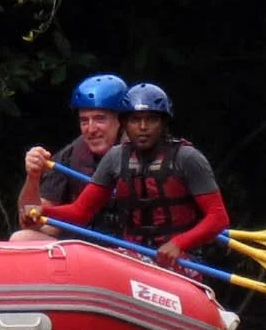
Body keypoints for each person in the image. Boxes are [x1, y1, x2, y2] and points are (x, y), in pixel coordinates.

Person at [21, 82, 229, 267]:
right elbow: (81, 211)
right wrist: (44, 212)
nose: (143, 128)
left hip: (181, 257)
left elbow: (218, 219)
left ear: (164, 123)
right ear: (124, 123)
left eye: (151, 120)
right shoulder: (115, 158)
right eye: (135, 120)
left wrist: (178, 243)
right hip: (133, 256)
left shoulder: (188, 158)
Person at [9, 73, 127, 242]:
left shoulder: (140, 154)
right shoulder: (71, 155)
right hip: (84, 250)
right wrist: (33, 176)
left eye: (100, 119)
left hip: (130, 249)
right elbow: (33, 223)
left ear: (121, 120)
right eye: (84, 121)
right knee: (22, 239)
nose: (91, 129)